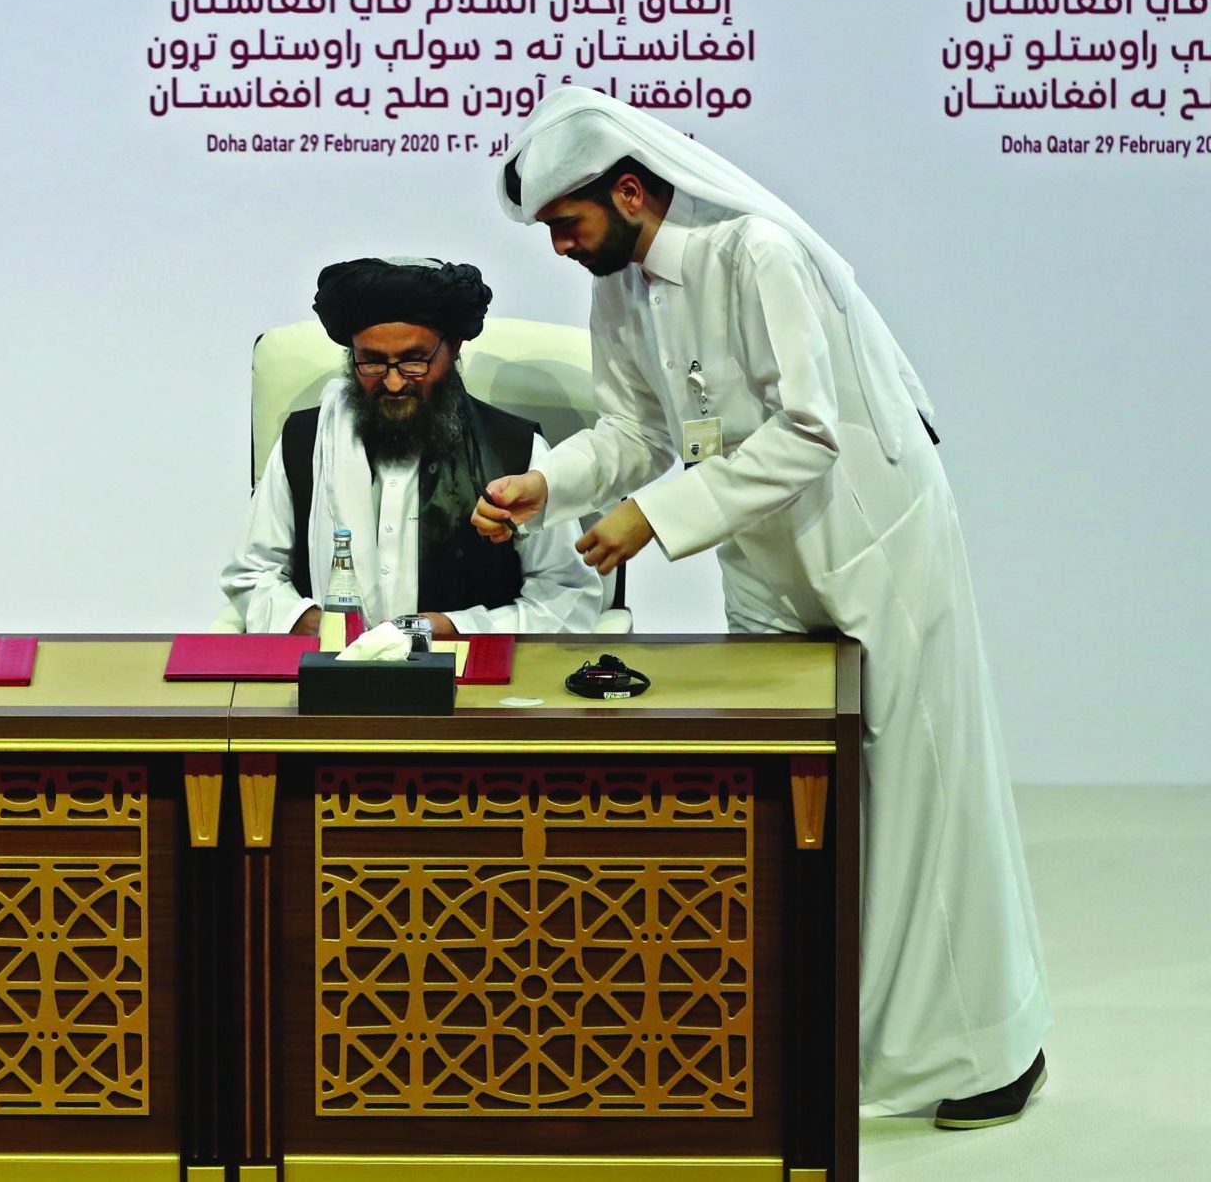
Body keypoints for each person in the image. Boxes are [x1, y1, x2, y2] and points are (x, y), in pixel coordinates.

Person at [474, 85, 1049, 1128]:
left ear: (633, 190)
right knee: (799, 796)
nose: (560, 246)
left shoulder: (756, 252)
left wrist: (652, 517)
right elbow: (634, 433)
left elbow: (810, 432)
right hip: (765, 559)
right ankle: (819, 1035)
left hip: (873, 547)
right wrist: (548, 485)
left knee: (920, 801)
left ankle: (988, 1051)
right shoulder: (621, 287)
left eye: (569, 223)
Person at [223, 257, 599, 638]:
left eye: (414, 362)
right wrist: (308, 622)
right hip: (330, 677)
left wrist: (458, 628)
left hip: (466, 684)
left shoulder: (514, 452)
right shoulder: (304, 443)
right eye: (371, 362)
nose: (394, 383)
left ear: (452, 348)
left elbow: (567, 596)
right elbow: (251, 573)